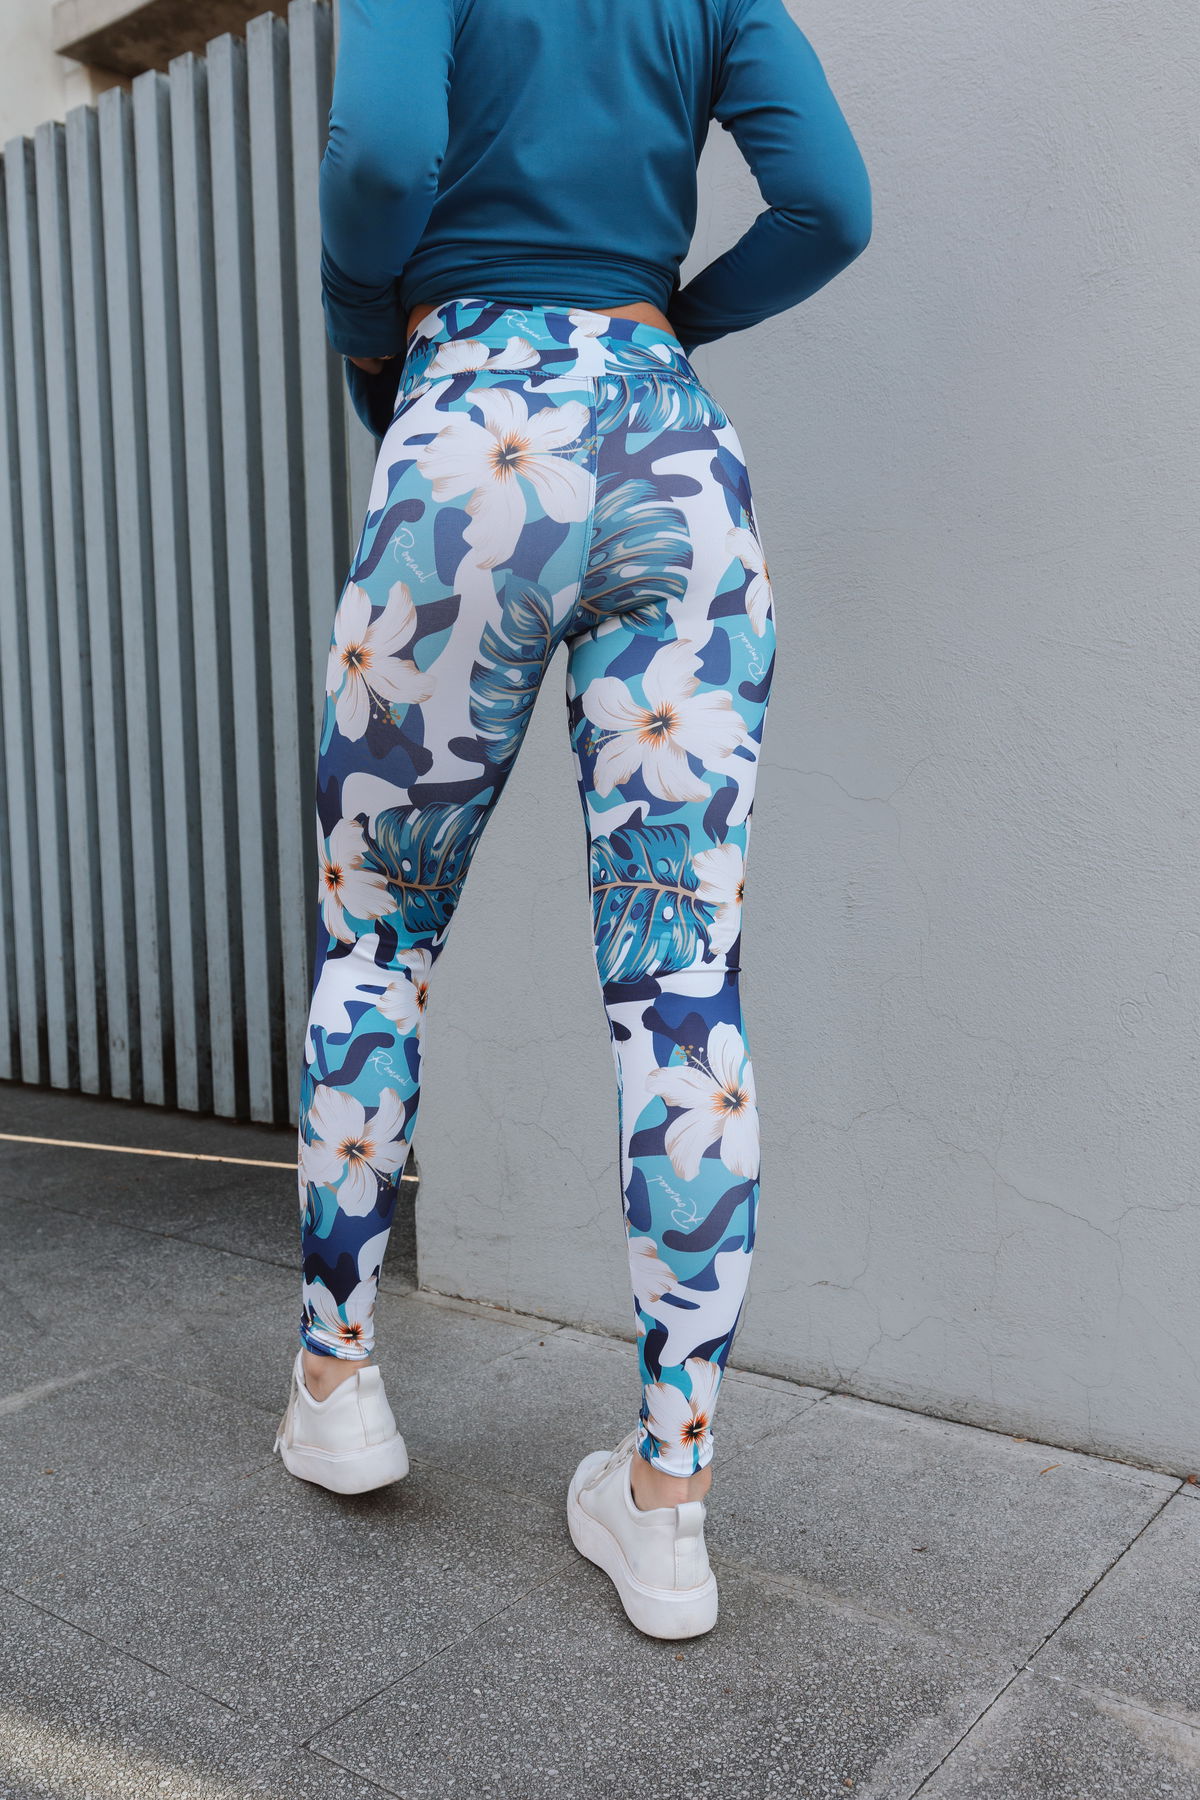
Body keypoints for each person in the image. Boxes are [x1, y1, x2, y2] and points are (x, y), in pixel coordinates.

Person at [274, 0, 871, 1641]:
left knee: (377, 941)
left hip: (471, 426)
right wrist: (666, 318)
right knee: (683, 984)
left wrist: (368, 332)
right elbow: (831, 206)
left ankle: (338, 1384)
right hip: (674, 448)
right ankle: (670, 1503)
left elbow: (381, 157)